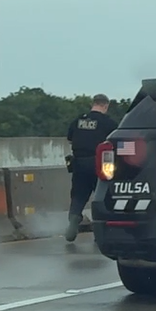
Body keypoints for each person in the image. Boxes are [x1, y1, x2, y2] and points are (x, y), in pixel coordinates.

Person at [64, 94, 118, 242]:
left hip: (79, 162)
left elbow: (70, 139)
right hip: (99, 164)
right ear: (105, 106)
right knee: (101, 196)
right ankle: (99, 231)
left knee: (78, 194)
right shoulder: (108, 123)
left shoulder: (78, 120)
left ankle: (74, 218)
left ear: (92, 104)